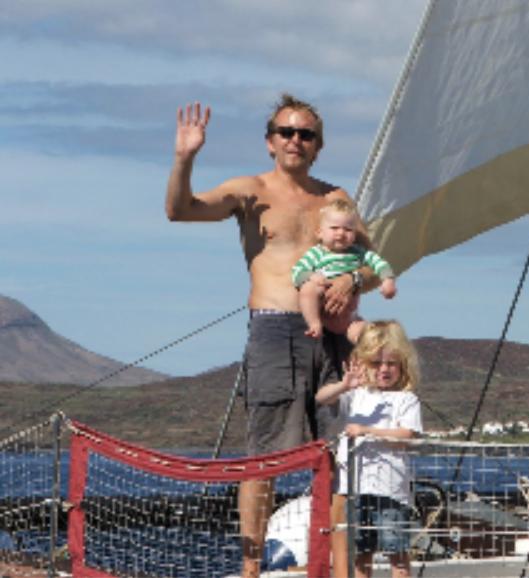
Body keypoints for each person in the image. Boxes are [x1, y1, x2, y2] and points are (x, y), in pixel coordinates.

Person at [165, 94, 378, 578]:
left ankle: (337, 566)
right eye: (286, 132)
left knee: (340, 454)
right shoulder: (250, 190)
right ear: (270, 142)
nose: (295, 140)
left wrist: (351, 279)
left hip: (335, 336)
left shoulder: (337, 199)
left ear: (318, 145)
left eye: (306, 134)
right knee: (264, 455)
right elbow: (180, 210)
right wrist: (184, 158)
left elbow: (374, 262)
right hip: (275, 329)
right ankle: (251, 570)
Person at [316, 320, 423, 578]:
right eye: (376, 363)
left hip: (391, 491)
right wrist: (344, 385)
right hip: (356, 490)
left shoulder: (406, 399)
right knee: (361, 554)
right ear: (364, 363)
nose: (384, 369)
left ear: (402, 365)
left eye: (391, 363)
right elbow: (322, 398)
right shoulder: (356, 395)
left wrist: (369, 431)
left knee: (397, 553)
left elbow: (407, 435)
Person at [293, 198, 397, 342]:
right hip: (323, 307)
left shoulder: (358, 252)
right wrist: (312, 276)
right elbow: (297, 272)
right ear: (320, 233)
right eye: (334, 228)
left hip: (349, 316)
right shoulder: (316, 253)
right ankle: (314, 324)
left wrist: (388, 280)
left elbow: (379, 263)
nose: (341, 233)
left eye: (348, 230)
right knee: (308, 289)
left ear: (354, 235)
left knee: (365, 333)